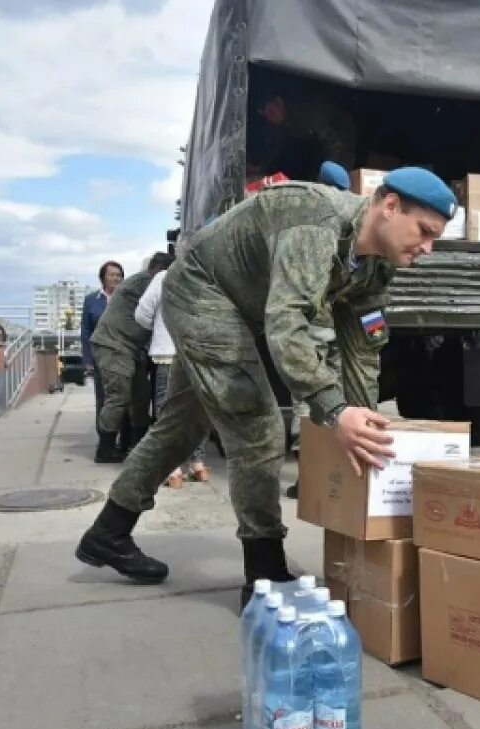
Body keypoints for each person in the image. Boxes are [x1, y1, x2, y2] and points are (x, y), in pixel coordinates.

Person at [74, 168, 456, 609]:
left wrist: (363, 419)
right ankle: (264, 571)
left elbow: (362, 350)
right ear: (389, 206)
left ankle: (108, 532)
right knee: (258, 428)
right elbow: (287, 327)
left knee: (181, 427)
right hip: (204, 292)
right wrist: (334, 410)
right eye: (424, 232)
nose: (427, 249)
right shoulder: (317, 224)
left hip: (243, 308)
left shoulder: (375, 266)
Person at [283, 160, 354, 500]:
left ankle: (306, 478)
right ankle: (331, 474)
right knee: (336, 397)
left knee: (307, 398)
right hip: (340, 327)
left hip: (314, 328)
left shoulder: (312, 214)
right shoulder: (350, 221)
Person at [89, 254, 171, 463]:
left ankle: (136, 446)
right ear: (160, 270)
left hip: (128, 348)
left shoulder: (142, 280)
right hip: (113, 345)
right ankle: (105, 449)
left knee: (140, 397)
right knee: (119, 396)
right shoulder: (148, 282)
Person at [134, 265, 210, 487]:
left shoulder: (164, 277)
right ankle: (198, 465)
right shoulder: (207, 274)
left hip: (168, 352)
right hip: (198, 353)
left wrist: (159, 328)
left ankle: (173, 469)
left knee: (166, 411)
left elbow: (142, 313)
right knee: (199, 411)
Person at [82, 261, 124, 433]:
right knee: (103, 400)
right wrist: (87, 360)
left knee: (123, 401)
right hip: (101, 359)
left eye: (119, 275)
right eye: (112, 274)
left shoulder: (127, 299)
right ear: (103, 278)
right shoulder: (92, 300)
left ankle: (124, 441)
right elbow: (85, 331)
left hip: (123, 357)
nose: (116, 278)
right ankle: (105, 441)